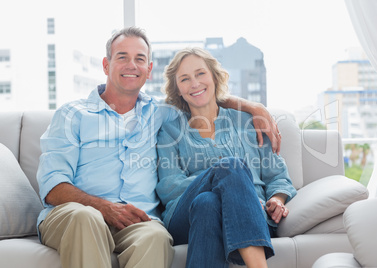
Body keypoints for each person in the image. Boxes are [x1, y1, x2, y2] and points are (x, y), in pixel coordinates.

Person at [36, 27, 281, 268]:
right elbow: (52, 186)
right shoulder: (72, 115)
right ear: (106, 65)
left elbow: (198, 95)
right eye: (122, 57)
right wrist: (104, 207)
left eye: (139, 59)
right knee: (86, 217)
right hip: (78, 214)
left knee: (160, 235)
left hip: (138, 222)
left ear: (149, 70)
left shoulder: (160, 112)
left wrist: (253, 107)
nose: (132, 65)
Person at [156, 47, 297, 268]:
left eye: (200, 73)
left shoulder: (249, 122)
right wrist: (220, 180)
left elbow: (277, 175)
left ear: (214, 76)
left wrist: (276, 200)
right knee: (229, 167)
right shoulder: (170, 130)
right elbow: (169, 186)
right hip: (183, 216)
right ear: (177, 89)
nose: (194, 83)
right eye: (184, 79)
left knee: (207, 203)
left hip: (253, 214)